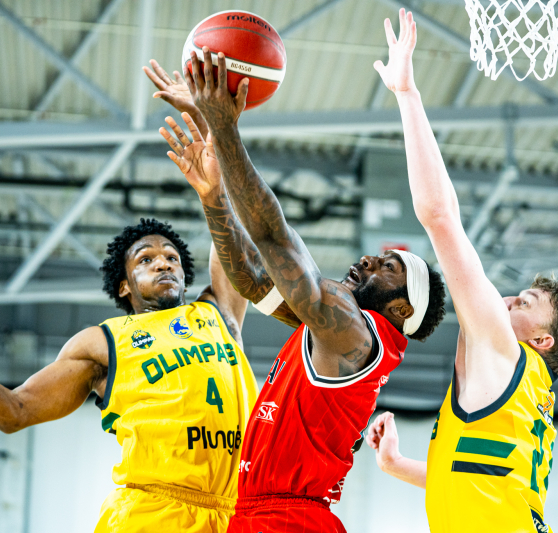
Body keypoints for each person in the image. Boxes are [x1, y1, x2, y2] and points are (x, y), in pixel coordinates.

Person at [156, 48, 447, 533]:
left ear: (400, 308)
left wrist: (223, 127)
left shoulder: (352, 331)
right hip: (263, 513)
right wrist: (212, 194)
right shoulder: (330, 329)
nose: (370, 260)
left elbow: (274, 237)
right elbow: (252, 279)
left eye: (389, 267)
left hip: (290, 518)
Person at [364, 9, 558, 533]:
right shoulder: (532, 396)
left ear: (541, 340)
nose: (507, 300)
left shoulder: (504, 351)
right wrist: (397, 466)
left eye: (524, 303)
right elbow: (478, 477)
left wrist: (408, 95)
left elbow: (440, 215)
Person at [0, 218, 258, 533]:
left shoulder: (217, 314)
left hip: (237, 514)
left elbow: (232, 232)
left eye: (171, 257)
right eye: (145, 259)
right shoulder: (104, 342)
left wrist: (213, 188)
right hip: (154, 514)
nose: (163, 263)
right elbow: (14, 411)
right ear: (124, 285)